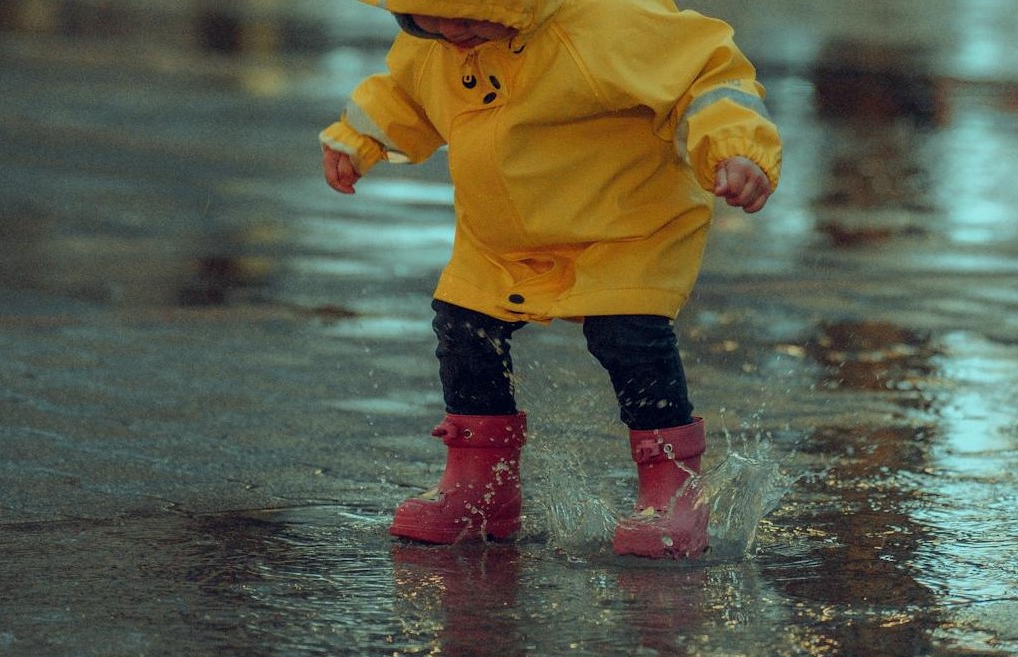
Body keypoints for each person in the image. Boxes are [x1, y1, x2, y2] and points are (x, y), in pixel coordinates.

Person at [321, 0, 781, 559]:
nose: (449, 33)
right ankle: (479, 491)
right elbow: (406, 94)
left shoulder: (610, 23)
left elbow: (708, 75)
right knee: (464, 328)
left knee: (627, 335)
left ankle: (673, 490)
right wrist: (358, 135)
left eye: (468, 19)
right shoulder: (436, 42)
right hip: (501, 238)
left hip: (622, 227)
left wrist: (736, 147)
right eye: (423, 18)